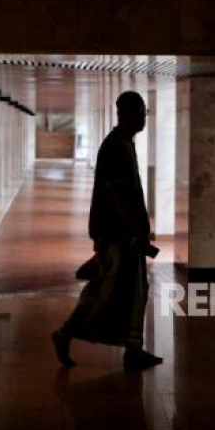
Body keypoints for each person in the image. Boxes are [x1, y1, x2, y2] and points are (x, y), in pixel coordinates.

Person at [51, 91, 163, 370]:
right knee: (105, 291)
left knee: (133, 290)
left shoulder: (124, 143)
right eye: (138, 112)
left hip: (124, 235)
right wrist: (136, 230)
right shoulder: (114, 146)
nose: (142, 118)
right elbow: (117, 195)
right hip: (117, 235)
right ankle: (65, 334)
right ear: (123, 113)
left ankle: (133, 349)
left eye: (143, 113)